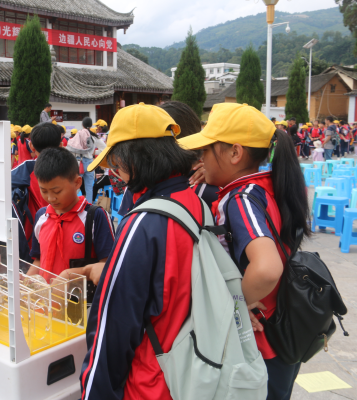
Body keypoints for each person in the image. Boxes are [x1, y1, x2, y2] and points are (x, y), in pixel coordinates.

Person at [178, 102, 310, 400]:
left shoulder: (241, 199)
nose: (199, 160)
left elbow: (266, 268)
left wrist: (234, 306)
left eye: (206, 152)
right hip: (283, 330)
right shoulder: (268, 186)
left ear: (235, 153)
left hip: (260, 338)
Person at [78, 103, 202, 399]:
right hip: (187, 374)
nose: (116, 173)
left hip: (149, 382)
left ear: (133, 158)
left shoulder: (144, 222)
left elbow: (113, 328)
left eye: (116, 164)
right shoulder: (193, 201)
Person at [27, 147, 114, 280]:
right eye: (44, 191)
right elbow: (38, 260)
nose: (50, 198)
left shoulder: (94, 217)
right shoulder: (42, 216)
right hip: (45, 298)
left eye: (57, 192)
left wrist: (71, 275)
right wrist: (24, 286)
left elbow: (107, 265)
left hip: (79, 299)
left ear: (77, 183)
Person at [12, 123, 63, 253]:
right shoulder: (68, 170)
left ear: (31, 146)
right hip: (65, 237)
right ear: (61, 145)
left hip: (33, 240)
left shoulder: (24, 170)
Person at [66, 117, 106, 203]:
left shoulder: (78, 134)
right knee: (89, 187)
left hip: (78, 162)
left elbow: (71, 147)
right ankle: (89, 207)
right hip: (90, 163)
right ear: (91, 125)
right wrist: (94, 152)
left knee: (75, 185)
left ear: (82, 125)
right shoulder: (93, 136)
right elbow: (104, 148)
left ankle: (71, 204)